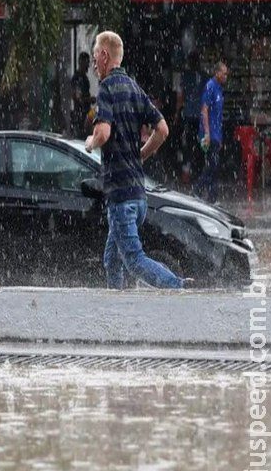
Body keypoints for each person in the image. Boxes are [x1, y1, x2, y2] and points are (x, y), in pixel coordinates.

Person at [85, 31, 189, 290]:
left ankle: (178, 288)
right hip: (138, 195)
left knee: (133, 260)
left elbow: (103, 133)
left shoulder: (107, 88)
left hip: (121, 195)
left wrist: (89, 142)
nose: (94, 62)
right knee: (112, 259)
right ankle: (117, 305)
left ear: (105, 55)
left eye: (96, 56)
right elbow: (162, 129)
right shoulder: (134, 87)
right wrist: (142, 153)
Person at [195, 61, 229, 204]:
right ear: (217, 73)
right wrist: (207, 134)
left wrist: (219, 137)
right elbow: (204, 110)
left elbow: (218, 115)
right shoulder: (210, 87)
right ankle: (198, 191)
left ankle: (211, 197)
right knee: (212, 164)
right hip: (209, 133)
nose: (226, 76)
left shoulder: (219, 89)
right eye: (224, 73)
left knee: (214, 166)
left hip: (216, 133)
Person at [173, 51, 207, 183]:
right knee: (201, 144)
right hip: (201, 116)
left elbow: (180, 96)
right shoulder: (205, 77)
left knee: (188, 144)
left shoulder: (185, 77)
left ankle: (187, 172)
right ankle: (199, 171)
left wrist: (176, 114)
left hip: (189, 115)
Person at [71, 51, 93, 137]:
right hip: (80, 115)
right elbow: (76, 96)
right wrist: (89, 99)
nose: (88, 65)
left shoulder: (84, 78)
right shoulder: (77, 78)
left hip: (85, 114)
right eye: (86, 62)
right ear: (81, 62)